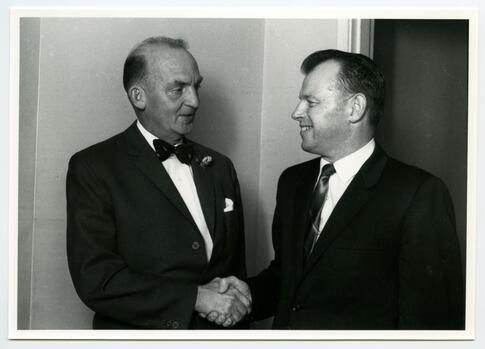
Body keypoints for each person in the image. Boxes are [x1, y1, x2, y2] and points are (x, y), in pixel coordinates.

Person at [211, 49, 465, 329]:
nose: (296, 113)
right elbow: (290, 278)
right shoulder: (292, 182)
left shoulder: (418, 193)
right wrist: (247, 295)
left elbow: (431, 320)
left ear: (355, 108)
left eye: (311, 102)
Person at [66, 36, 251, 329]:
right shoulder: (94, 166)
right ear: (139, 97)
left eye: (196, 87)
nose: (195, 101)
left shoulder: (220, 167)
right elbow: (97, 279)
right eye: (178, 89)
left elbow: (234, 270)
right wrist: (195, 298)